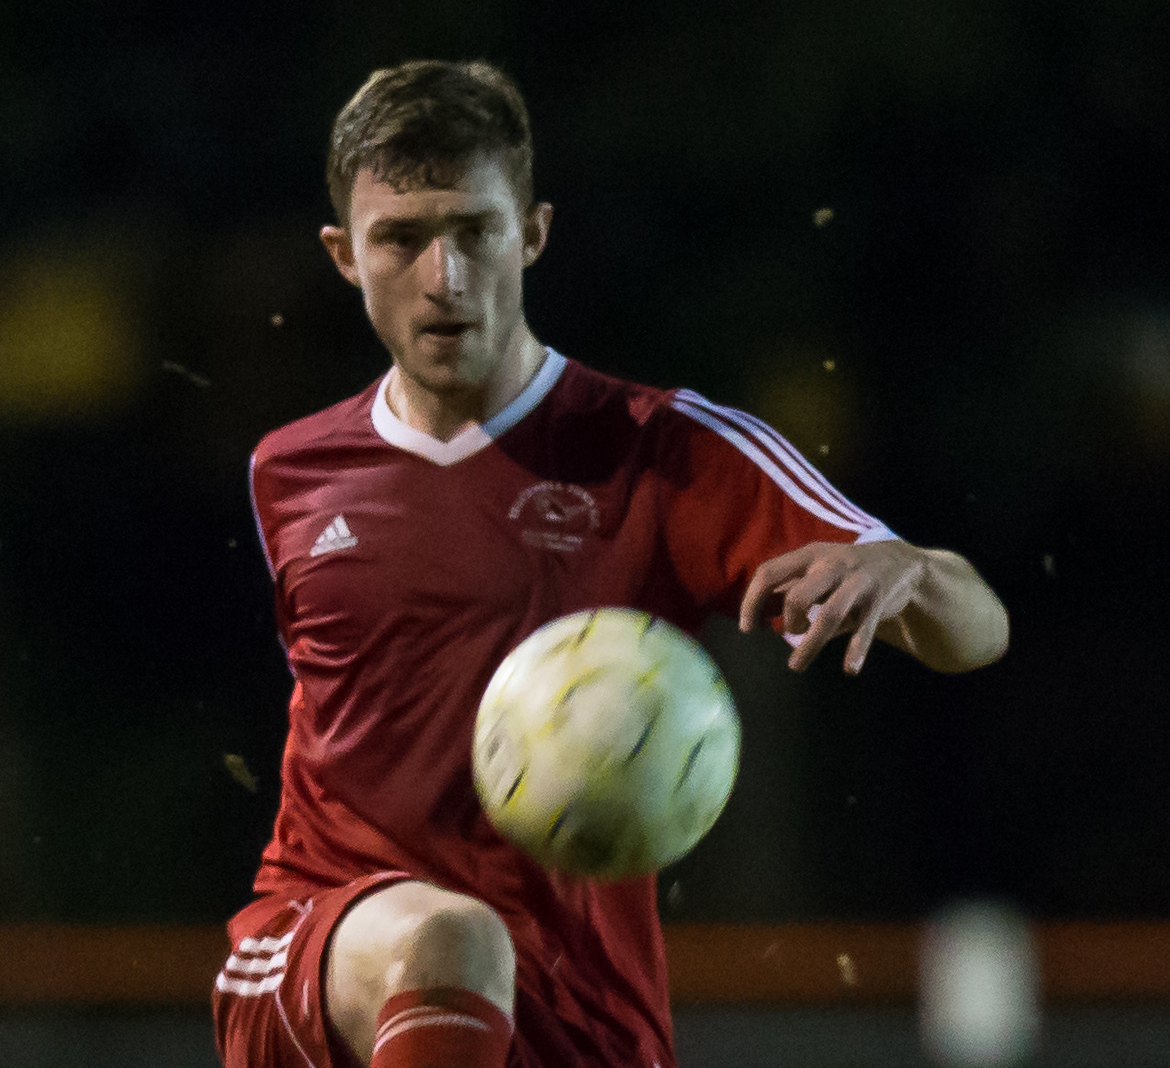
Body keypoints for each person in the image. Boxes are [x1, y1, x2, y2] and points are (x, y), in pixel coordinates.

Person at [213, 59, 1009, 1068]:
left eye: (472, 231)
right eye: (402, 239)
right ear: (342, 255)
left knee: (471, 954)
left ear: (532, 233)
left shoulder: (658, 450)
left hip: (576, 1015)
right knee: (450, 939)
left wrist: (911, 571)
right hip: (323, 935)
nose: (442, 277)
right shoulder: (291, 468)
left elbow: (977, 633)